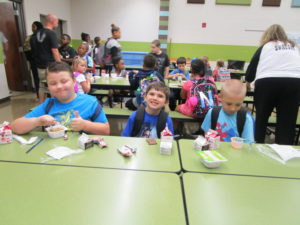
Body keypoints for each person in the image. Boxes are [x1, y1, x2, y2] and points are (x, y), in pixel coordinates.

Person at [11, 62, 109, 135]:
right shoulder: (48, 105)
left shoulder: (90, 102)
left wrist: (85, 125)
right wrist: (37, 121)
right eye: (53, 83)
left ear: (74, 82)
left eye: (64, 81)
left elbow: (106, 130)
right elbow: (15, 127)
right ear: (48, 86)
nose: (59, 86)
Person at [245, 24, 300, 145]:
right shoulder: (294, 47)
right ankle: (284, 150)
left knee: (261, 118)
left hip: (267, 83)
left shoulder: (265, 47)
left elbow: (250, 72)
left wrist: (248, 81)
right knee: (287, 122)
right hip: (294, 82)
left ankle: (257, 145)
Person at [30, 14, 61, 104]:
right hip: (50, 65)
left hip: (39, 65)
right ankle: (56, 106)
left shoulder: (35, 34)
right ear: (52, 21)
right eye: (57, 22)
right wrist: (60, 65)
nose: (57, 24)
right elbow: (55, 51)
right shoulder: (51, 33)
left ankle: (41, 107)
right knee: (54, 85)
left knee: (42, 86)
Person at [23, 21, 43, 99]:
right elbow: (26, 50)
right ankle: (39, 96)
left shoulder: (44, 36)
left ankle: (49, 95)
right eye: (32, 27)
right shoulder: (29, 38)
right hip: (34, 61)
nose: (32, 29)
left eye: (34, 27)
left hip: (45, 61)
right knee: (36, 78)